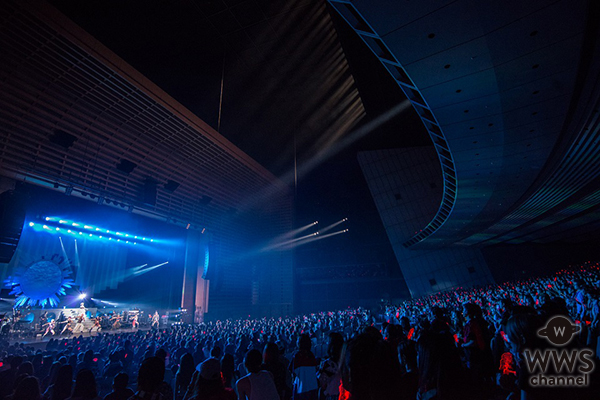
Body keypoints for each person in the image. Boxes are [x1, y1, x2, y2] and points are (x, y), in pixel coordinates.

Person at [289, 334, 318, 400]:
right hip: (313, 387)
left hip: (301, 388)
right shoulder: (311, 355)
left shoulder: (297, 356)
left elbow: (292, 371)